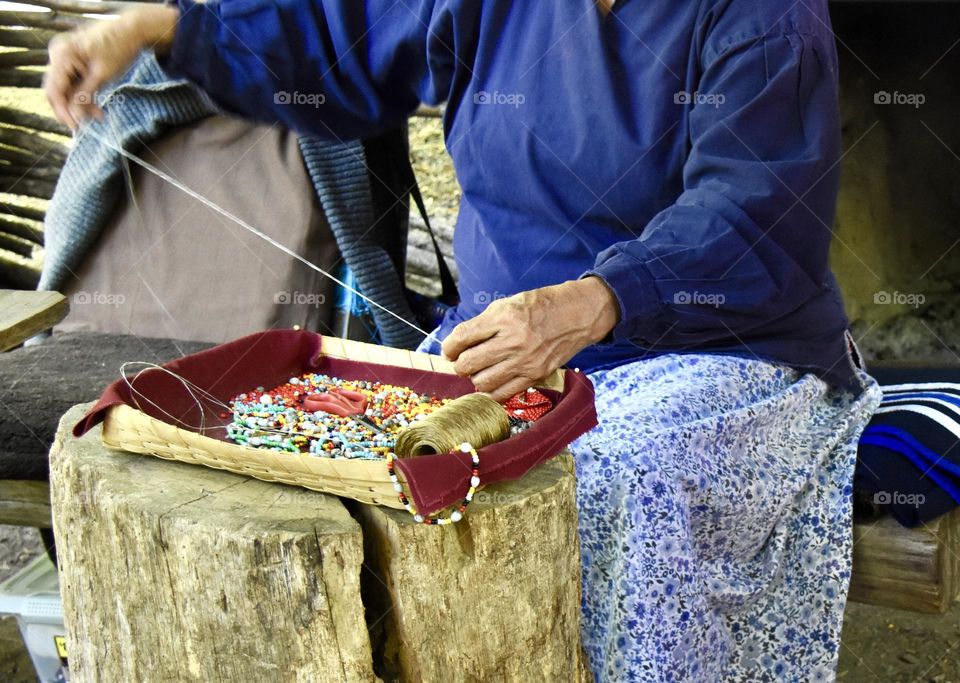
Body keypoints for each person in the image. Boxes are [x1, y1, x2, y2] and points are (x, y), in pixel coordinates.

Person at [45, 1, 882, 680]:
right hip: (503, 348)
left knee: (597, 490)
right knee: (350, 467)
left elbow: (752, 213)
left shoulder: (767, 16)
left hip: (722, 353)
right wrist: (159, 27)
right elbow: (339, 37)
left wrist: (598, 300)